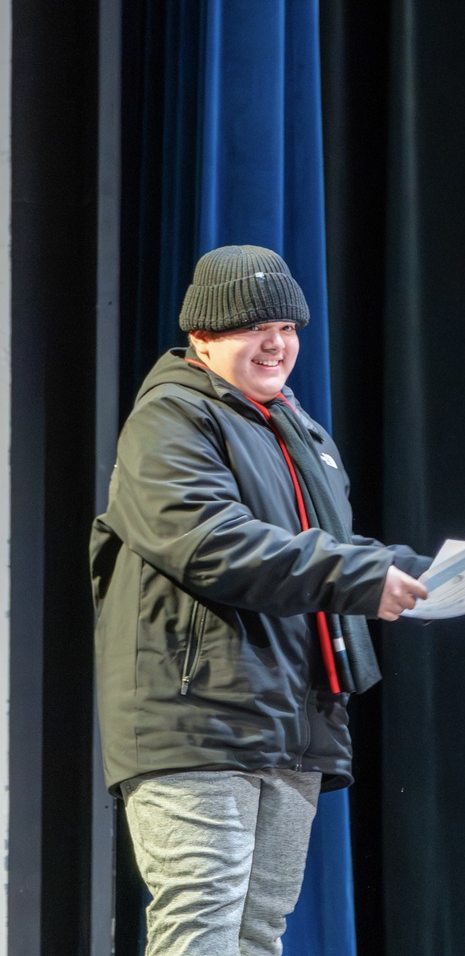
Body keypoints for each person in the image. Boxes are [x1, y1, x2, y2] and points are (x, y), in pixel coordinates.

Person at [90, 244, 431, 956]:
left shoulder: (297, 428)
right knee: (203, 929)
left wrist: (446, 572)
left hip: (289, 719)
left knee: (255, 934)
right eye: (255, 328)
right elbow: (212, 543)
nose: (278, 344)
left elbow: (332, 546)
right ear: (202, 336)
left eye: (289, 327)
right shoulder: (171, 420)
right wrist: (365, 578)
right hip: (197, 721)